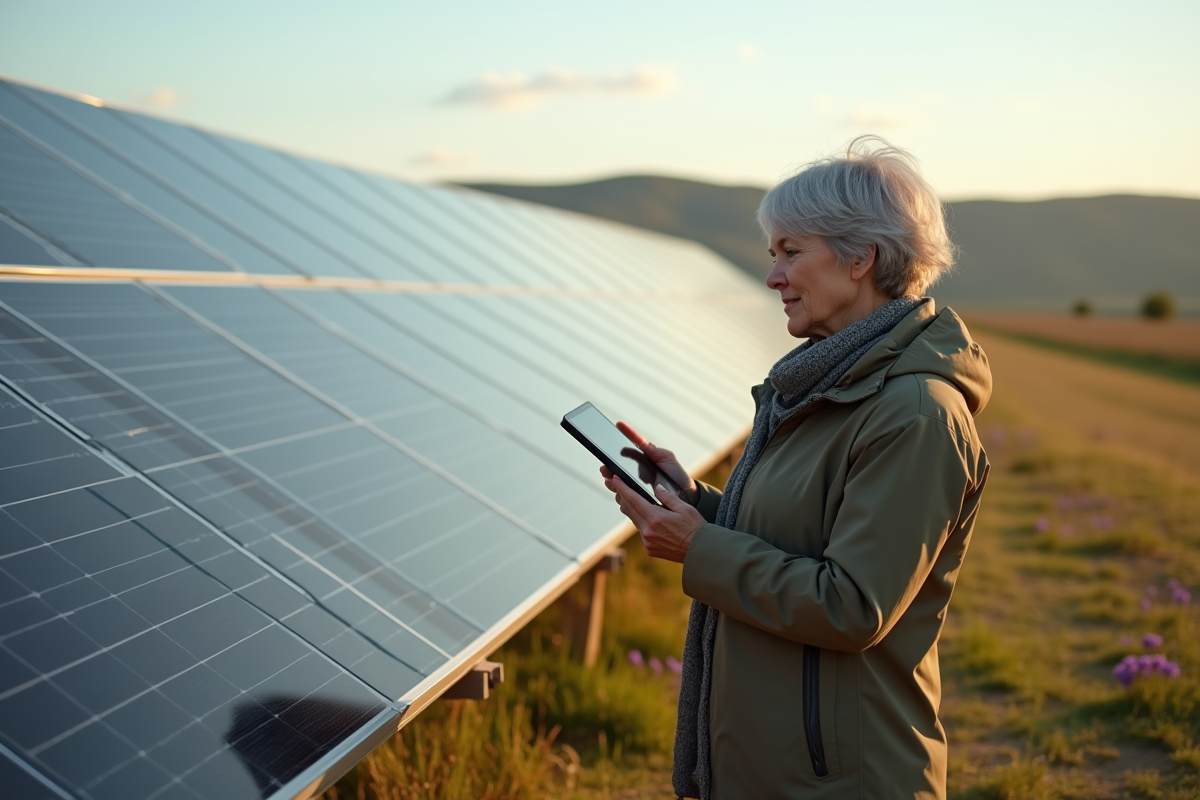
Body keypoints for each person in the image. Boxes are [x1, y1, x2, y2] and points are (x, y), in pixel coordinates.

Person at [602, 136, 991, 800]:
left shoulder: (915, 415)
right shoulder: (824, 387)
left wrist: (700, 548)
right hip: (782, 765)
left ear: (860, 257)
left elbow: (851, 605)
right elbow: (802, 536)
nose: (772, 276)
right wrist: (699, 502)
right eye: (772, 254)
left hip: (843, 779)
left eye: (790, 252)